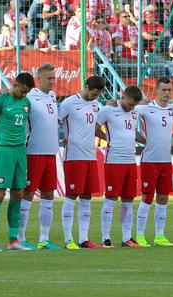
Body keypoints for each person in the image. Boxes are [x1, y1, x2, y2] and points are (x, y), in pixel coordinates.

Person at [0, 73, 36, 252]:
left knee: (18, 194)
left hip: (20, 152)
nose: (24, 95)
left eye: (27, 93)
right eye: (22, 91)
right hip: (3, 150)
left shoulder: (26, 103)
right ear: (15, 84)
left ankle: (13, 241)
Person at [132, 78, 173, 247]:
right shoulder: (146, 108)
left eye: (169, 90)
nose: (167, 93)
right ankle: (139, 235)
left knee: (163, 197)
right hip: (150, 161)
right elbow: (127, 108)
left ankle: (159, 236)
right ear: (156, 90)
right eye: (164, 90)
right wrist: (142, 139)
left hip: (166, 161)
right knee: (147, 197)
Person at [58, 76, 107, 250]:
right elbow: (55, 121)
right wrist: (61, 138)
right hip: (73, 156)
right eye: (93, 93)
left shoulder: (94, 105)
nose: (95, 97)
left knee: (86, 197)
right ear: (86, 87)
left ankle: (84, 239)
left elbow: (92, 126)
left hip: (90, 156)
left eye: (98, 95)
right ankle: (68, 239)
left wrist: (108, 138)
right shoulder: (69, 103)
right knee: (71, 196)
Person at [96, 86, 145, 248]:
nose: (132, 107)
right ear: (124, 97)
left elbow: (133, 133)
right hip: (114, 161)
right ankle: (105, 238)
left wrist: (149, 141)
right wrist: (107, 138)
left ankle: (127, 238)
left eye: (134, 105)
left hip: (130, 161)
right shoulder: (108, 110)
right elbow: (94, 126)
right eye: (131, 104)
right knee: (110, 198)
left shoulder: (134, 112)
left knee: (128, 200)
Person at [19, 63, 60, 251]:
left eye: (54, 77)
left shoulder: (52, 96)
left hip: (51, 153)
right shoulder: (29, 98)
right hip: (33, 154)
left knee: (48, 195)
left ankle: (44, 238)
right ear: (39, 78)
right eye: (49, 78)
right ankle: (20, 238)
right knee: (27, 194)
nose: (52, 81)